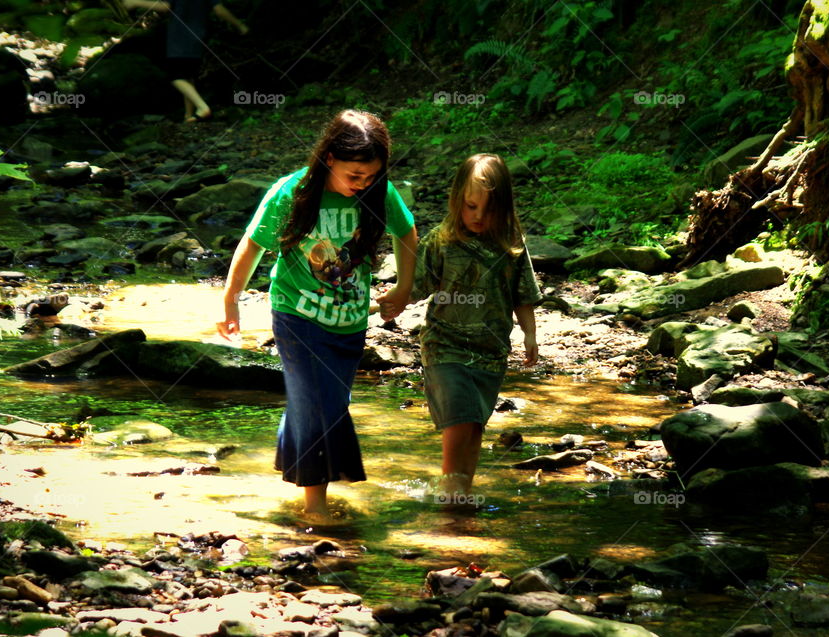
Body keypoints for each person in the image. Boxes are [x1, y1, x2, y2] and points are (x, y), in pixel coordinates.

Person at [217, 110, 417, 521]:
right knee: (319, 407)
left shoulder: (379, 191)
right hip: (297, 317)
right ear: (329, 158)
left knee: (326, 403)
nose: (362, 184)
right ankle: (315, 509)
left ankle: (297, 471)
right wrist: (231, 299)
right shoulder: (292, 193)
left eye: (370, 176)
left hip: (349, 321)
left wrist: (403, 287)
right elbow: (253, 244)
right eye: (354, 175)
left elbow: (406, 232)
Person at [411, 154, 542, 498]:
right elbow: (414, 285)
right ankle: (451, 490)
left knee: (473, 425)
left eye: (488, 209)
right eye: (471, 207)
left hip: (490, 353)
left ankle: (460, 490)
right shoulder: (440, 242)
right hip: (445, 346)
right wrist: (381, 302)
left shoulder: (510, 244)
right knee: (459, 417)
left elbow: (522, 294)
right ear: (457, 201)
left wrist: (530, 333)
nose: (479, 217)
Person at [122, 0, 248, 122]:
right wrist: (240, 25)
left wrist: (135, 2)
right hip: (198, 37)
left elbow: (165, 6)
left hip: (180, 38)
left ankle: (202, 107)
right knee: (187, 76)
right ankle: (188, 115)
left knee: (174, 77)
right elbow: (219, 10)